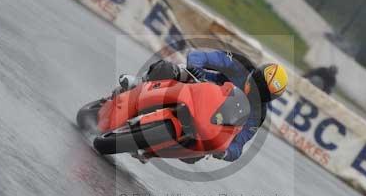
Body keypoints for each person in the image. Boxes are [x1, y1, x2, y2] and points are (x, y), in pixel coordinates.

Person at [117, 50, 288, 162]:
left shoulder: (258, 114)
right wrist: (195, 67)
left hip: (212, 120)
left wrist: (225, 152)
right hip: (201, 84)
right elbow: (202, 56)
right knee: (172, 70)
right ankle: (139, 83)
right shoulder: (240, 63)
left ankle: (151, 151)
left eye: (264, 93)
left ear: (270, 98)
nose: (257, 92)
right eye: (258, 84)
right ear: (255, 74)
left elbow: (239, 144)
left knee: (196, 155)